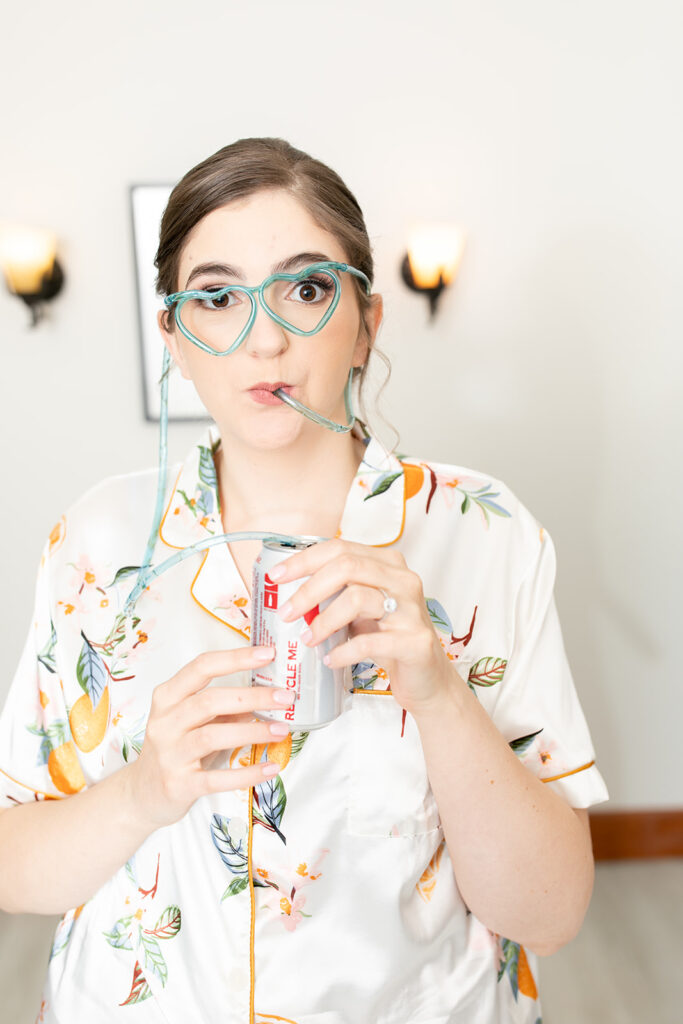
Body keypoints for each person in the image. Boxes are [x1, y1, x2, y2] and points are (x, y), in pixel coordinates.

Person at [0, 137, 609, 1024]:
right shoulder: (98, 542)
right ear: (173, 335)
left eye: (307, 287)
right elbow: (15, 868)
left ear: (367, 320)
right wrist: (144, 791)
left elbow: (548, 916)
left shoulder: (483, 532)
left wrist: (438, 693)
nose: (266, 338)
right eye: (216, 297)